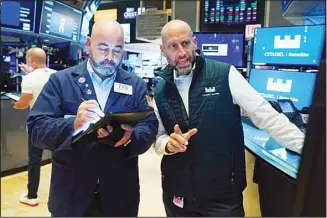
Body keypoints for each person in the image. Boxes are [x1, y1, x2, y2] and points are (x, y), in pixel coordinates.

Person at [153, 20, 305, 217]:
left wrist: (309, 150)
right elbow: (158, 138)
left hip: (222, 197)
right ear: (163, 49)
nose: (181, 52)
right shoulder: (160, 90)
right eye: (173, 46)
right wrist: (168, 144)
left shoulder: (225, 75)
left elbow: (267, 117)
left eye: (185, 43)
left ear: (195, 42)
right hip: (178, 195)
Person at [27, 20, 158, 217]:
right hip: (71, 195)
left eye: (117, 50)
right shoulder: (61, 81)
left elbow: (149, 123)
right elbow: (36, 128)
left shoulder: (135, 84)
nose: (109, 57)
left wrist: (133, 136)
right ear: (88, 43)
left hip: (120, 195)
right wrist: (73, 124)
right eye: (103, 48)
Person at [12, 47, 56, 206]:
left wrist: (16, 105)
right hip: (56, 124)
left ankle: (32, 196)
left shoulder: (29, 79)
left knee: (34, 160)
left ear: (30, 60)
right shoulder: (56, 75)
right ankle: (62, 194)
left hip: (37, 126)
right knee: (59, 159)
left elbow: (24, 103)